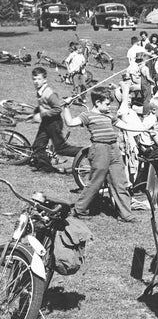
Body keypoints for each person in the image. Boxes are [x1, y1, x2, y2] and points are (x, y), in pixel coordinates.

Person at [62, 86, 138, 222]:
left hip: (114, 149)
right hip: (99, 149)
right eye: (107, 104)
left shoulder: (108, 115)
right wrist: (66, 107)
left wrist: (143, 130)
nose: (109, 107)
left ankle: (127, 214)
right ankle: (79, 209)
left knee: (120, 182)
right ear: (97, 103)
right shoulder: (87, 115)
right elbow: (70, 122)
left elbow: (124, 125)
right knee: (95, 182)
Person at [29, 67, 82, 172]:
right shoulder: (40, 90)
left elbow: (57, 109)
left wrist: (41, 115)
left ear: (45, 79)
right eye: (34, 79)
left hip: (54, 123)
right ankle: (46, 168)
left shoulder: (49, 93)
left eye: (39, 79)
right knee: (38, 146)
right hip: (46, 122)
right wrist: (35, 113)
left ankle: (86, 152)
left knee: (61, 148)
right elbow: (44, 105)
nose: (36, 81)